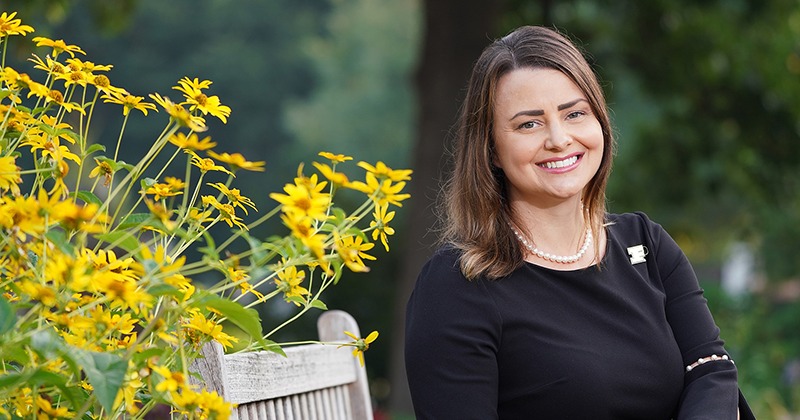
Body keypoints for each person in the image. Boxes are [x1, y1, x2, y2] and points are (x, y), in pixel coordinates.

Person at [404, 25, 754, 419]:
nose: (559, 139)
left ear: (599, 122)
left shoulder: (646, 246)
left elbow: (710, 369)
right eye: (528, 124)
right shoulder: (457, 287)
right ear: (492, 151)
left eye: (574, 114)